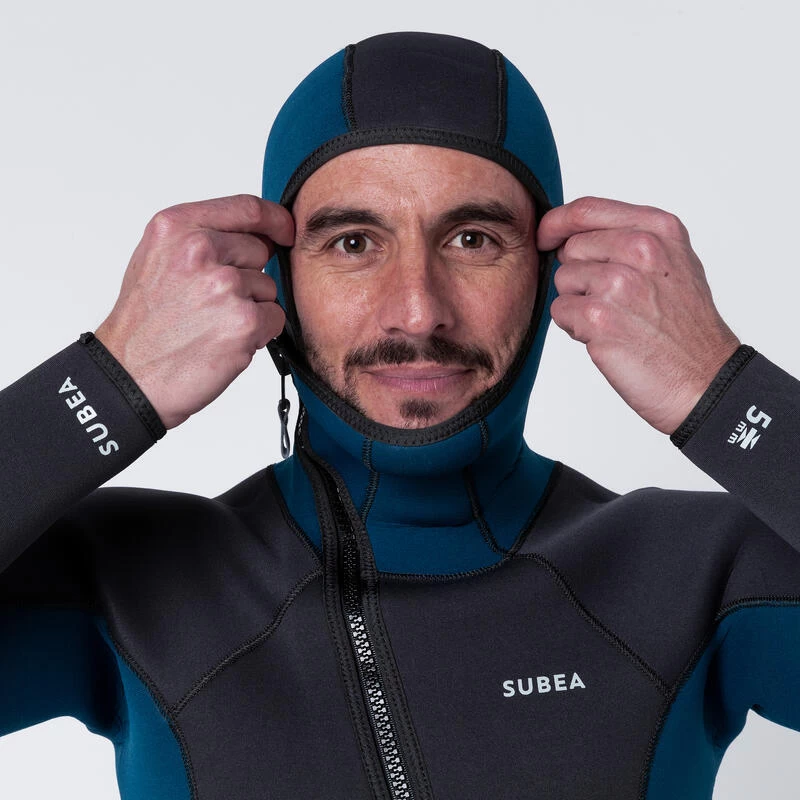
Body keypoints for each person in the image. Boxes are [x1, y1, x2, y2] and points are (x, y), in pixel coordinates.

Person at [1, 30, 798, 800]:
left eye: (473, 239)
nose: (417, 311)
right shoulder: (130, 583)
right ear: (273, 280)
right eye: (353, 243)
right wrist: (107, 383)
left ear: (551, 272)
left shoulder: (698, 576)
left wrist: (721, 390)